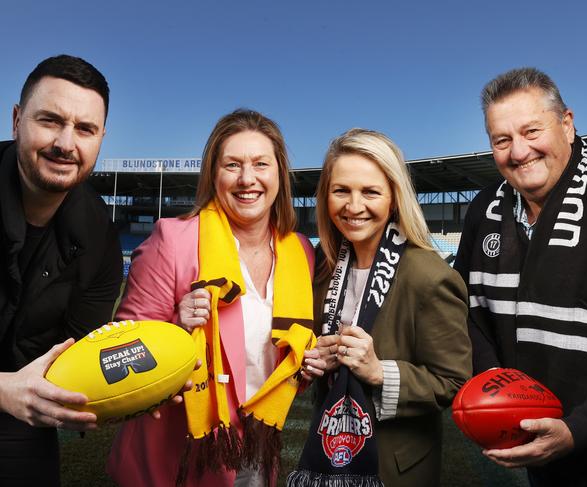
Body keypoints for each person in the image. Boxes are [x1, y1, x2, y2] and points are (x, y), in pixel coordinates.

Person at [454, 67, 587, 486]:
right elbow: (464, 310)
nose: (519, 152)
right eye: (501, 140)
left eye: (531, 131)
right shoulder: (482, 209)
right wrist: (498, 392)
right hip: (534, 443)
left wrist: (581, 429)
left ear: (567, 124)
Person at [107, 109, 321, 487]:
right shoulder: (172, 240)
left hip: (257, 447)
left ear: (279, 175)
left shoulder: (300, 251)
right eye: (232, 165)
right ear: (213, 174)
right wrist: (176, 327)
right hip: (179, 456)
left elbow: (288, 352)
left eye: (260, 164)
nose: (247, 179)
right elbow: (120, 354)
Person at [289, 129, 472, 486]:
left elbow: (453, 381)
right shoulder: (321, 270)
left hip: (394, 469)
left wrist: (379, 372)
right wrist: (310, 361)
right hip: (325, 457)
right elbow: (303, 356)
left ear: (394, 198)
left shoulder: (430, 276)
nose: (353, 206)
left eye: (370, 192)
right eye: (341, 190)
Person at [0, 55, 123, 487]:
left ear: (101, 138)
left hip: (21, 411)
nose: (66, 144)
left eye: (85, 129)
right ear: (16, 120)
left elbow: (76, 358)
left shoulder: (101, 237)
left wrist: (140, 381)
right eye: (50, 120)